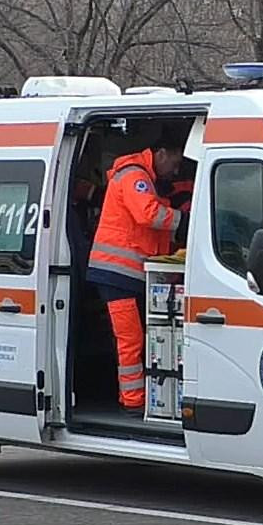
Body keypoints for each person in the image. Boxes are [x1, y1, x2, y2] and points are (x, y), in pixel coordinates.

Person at [87, 139, 190, 414]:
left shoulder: (145, 177)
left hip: (126, 273)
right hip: (115, 273)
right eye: (175, 163)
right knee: (131, 339)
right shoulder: (134, 175)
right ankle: (133, 401)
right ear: (161, 152)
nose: (176, 171)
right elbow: (148, 215)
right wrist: (185, 221)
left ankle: (134, 397)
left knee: (136, 337)